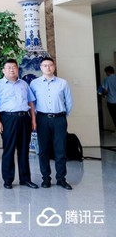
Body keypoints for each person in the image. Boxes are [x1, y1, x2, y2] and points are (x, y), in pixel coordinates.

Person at [0, 58, 38, 189]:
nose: (12, 70)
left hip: (24, 118)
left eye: (14, 67)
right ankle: (8, 180)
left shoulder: (24, 84)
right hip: (8, 119)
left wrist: (33, 120)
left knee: (24, 150)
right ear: (3, 70)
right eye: (9, 67)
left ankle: (25, 179)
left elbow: (31, 102)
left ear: (18, 69)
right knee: (9, 150)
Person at [30, 57, 73, 190]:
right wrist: (35, 118)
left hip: (59, 119)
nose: (48, 67)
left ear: (54, 67)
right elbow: (32, 103)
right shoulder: (34, 84)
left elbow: (69, 102)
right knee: (43, 150)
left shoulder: (63, 83)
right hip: (42, 119)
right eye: (45, 65)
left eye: (50, 65)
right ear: (41, 68)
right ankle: (46, 178)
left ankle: (61, 179)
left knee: (60, 149)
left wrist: (62, 115)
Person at [99, 66, 116, 132]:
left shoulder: (107, 79)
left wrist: (102, 94)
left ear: (108, 72)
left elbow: (105, 91)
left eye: (106, 72)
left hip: (111, 102)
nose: (106, 74)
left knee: (114, 117)